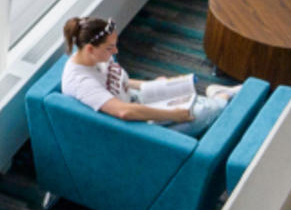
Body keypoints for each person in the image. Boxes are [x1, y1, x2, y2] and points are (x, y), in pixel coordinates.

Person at [59, 15, 233, 131]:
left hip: (135, 99)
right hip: (130, 126)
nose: (116, 51)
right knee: (199, 114)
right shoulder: (81, 81)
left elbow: (122, 82)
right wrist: (173, 115)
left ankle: (215, 98)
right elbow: (124, 112)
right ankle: (220, 99)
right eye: (110, 48)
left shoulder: (97, 57)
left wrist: (153, 85)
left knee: (187, 94)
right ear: (90, 49)